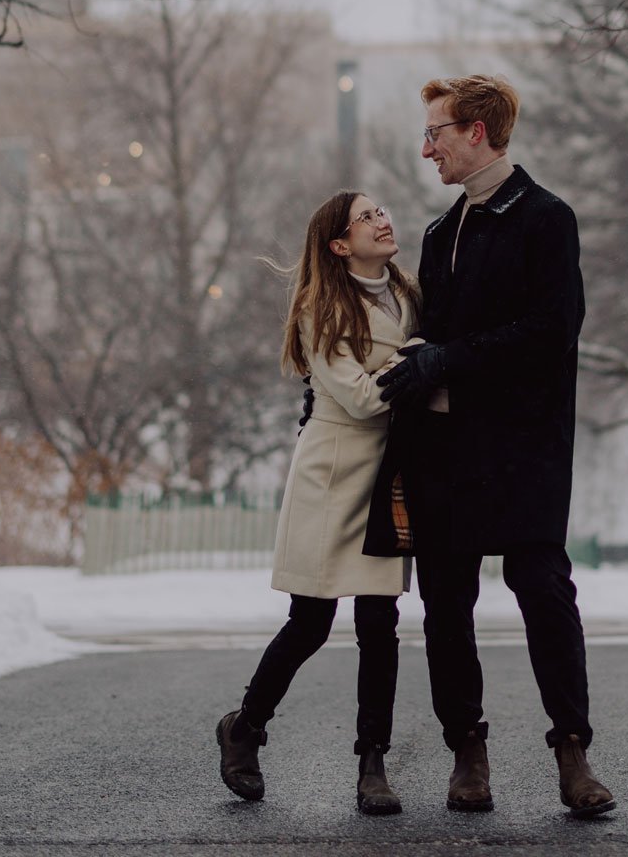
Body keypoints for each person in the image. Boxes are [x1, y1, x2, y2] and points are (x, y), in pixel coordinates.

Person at [367, 74, 616, 818]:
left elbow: (550, 329)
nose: (425, 148)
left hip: (526, 447)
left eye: (435, 133)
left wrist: (450, 358)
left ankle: (573, 751)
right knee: (446, 602)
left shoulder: (546, 217)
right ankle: (466, 752)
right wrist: (416, 357)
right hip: (445, 449)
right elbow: (441, 332)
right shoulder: (441, 232)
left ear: (476, 131)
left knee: (543, 589)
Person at [217, 190, 416, 815]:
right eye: (366, 217)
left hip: (389, 470)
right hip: (332, 469)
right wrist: (418, 362)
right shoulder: (319, 304)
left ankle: (372, 763)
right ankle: (245, 728)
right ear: (339, 243)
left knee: (380, 625)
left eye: (382, 210)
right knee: (310, 621)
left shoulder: (410, 293)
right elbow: (357, 398)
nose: (381, 220)